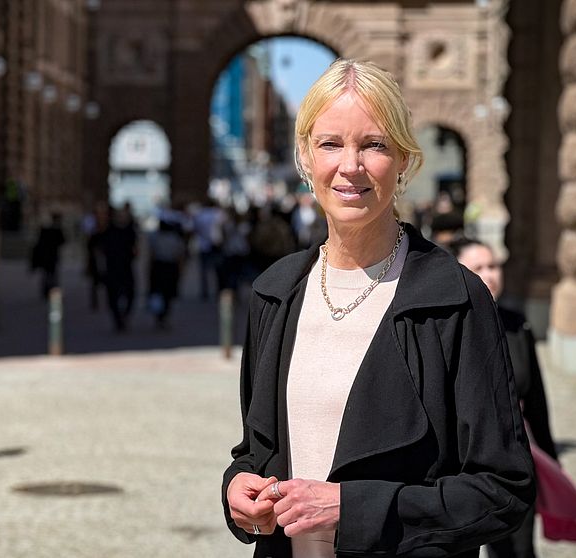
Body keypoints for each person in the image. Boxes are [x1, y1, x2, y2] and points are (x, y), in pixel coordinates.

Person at [222, 59, 534, 558]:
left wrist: (354, 509)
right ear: (304, 156)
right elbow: (257, 451)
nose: (350, 165)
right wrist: (239, 487)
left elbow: (503, 492)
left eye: (374, 145)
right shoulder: (275, 293)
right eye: (330, 144)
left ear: (405, 160)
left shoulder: (456, 299)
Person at [450, 237, 558, 558]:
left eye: (493, 265)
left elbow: (536, 402)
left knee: (518, 551)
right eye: (478, 267)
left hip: (510, 466)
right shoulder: (444, 326)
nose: (490, 274)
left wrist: (551, 462)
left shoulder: (516, 324)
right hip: (457, 470)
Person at [146, 219, 186, 328]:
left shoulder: (157, 238)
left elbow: (151, 254)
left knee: (161, 292)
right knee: (166, 293)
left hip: (161, 267)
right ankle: (161, 315)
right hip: (168, 267)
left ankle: (160, 315)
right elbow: (180, 257)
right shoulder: (175, 239)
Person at [30, 212, 66, 300]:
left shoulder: (46, 230)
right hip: (51, 257)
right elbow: (62, 241)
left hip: (46, 257)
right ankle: (52, 292)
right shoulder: (55, 230)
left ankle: (47, 291)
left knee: (47, 275)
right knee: (52, 276)